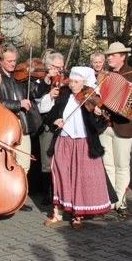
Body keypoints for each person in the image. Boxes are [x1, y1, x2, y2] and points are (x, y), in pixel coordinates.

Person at [43, 66, 112, 229]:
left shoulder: (92, 99)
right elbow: (50, 116)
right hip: (64, 142)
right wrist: (55, 121)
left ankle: (77, 215)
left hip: (84, 144)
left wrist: (97, 115)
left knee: (80, 178)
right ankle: (57, 213)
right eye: (72, 81)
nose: (72, 84)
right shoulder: (65, 97)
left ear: (86, 83)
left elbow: (98, 126)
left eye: (76, 82)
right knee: (61, 176)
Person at [0, 45, 49, 184]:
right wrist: (18, 104)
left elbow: (35, 92)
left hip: (22, 122)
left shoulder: (20, 75)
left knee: (24, 162)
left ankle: (19, 195)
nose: (13, 64)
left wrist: (47, 79)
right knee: (5, 161)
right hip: (4, 124)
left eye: (14, 60)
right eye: (10, 61)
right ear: (0, 61)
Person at [100, 42, 132, 216]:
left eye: (112, 55)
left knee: (122, 165)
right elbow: (96, 95)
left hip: (124, 126)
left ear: (123, 56)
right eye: (108, 55)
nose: (109, 58)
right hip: (105, 125)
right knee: (107, 165)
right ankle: (110, 198)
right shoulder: (103, 76)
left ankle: (121, 200)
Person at [36, 52, 65, 205]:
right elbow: (37, 105)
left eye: (61, 68)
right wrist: (50, 97)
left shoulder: (65, 82)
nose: (59, 71)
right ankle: (48, 193)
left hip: (62, 125)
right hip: (47, 125)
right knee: (47, 161)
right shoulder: (40, 81)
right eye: (56, 68)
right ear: (48, 67)